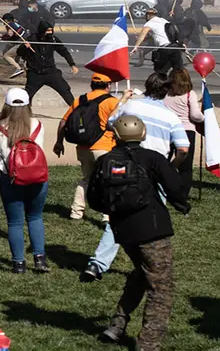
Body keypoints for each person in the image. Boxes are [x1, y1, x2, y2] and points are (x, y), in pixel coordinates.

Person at [90, 115, 190, 350]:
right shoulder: (152, 158)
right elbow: (176, 187)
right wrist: (182, 202)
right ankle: (148, 344)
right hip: (152, 230)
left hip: (122, 230)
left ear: (116, 135)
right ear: (142, 134)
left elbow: (94, 198)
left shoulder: (105, 161)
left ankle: (117, 325)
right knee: (161, 287)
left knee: (143, 274)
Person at [81, 72, 190, 282]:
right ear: (165, 90)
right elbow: (183, 148)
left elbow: (112, 122)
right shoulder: (170, 116)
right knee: (153, 220)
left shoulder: (131, 107)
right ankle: (148, 263)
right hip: (154, 168)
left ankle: (98, 263)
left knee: (119, 216)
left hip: (125, 165)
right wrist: (170, 167)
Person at [0, 87, 49, 273]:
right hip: (38, 178)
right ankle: (40, 258)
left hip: (11, 178)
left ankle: (18, 263)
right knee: (35, 217)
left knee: (15, 222)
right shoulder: (38, 124)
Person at [54, 73, 119, 220]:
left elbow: (63, 122)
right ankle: (107, 215)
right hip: (105, 147)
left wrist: (59, 142)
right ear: (108, 85)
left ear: (91, 85)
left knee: (86, 179)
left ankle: (76, 212)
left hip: (83, 147)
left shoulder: (80, 100)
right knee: (108, 181)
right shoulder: (112, 102)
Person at [162, 68, 204, 199]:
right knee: (185, 167)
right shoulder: (189, 94)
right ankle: (182, 194)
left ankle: (163, 190)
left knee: (164, 162)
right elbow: (195, 115)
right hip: (186, 130)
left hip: (167, 130)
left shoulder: (165, 94)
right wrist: (204, 118)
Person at [17, 21, 78, 106]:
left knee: (65, 90)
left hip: (51, 72)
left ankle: (76, 110)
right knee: (27, 95)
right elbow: (19, 53)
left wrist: (72, 64)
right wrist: (24, 47)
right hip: (35, 74)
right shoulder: (32, 39)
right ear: (42, 30)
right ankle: (25, 113)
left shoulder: (53, 40)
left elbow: (64, 52)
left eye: (51, 30)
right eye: (47, 31)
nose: (49, 33)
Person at [0, 13, 31, 79]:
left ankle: (18, 68)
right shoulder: (16, 24)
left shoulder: (9, 25)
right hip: (27, 43)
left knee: (6, 55)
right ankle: (31, 77)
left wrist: (1, 37)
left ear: (6, 20)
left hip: (22, 43)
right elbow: (16, 35)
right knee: (25, 61)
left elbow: (10, 35)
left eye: (3, 21)